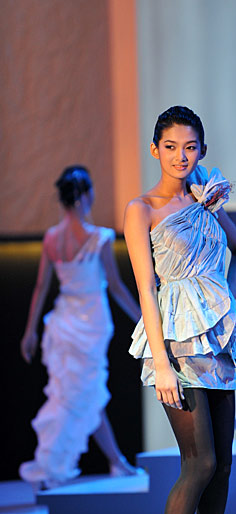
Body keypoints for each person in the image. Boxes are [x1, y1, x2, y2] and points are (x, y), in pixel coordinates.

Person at [124, 106, 236, 514]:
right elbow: (146, 290)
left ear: (202, 150)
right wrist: (162, 362)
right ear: (155, 149)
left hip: (216, 343)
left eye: (191, 147)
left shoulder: (206, 201)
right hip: (175, 347)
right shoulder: (142, 209)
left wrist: (225, 307)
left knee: (222, 467)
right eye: (171, 146)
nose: (181, 156)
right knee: (199, 463)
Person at [20, 165, 142, 490]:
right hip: (90, 324)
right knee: (82, 395)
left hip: (63, 323)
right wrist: (143, 318)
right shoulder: (99, 238)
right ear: (85, 196)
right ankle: (89, 463)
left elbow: (41, 288)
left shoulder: (52, 238)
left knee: (78, 395)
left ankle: (106, 461)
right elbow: (115, 287)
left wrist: (30, 331)